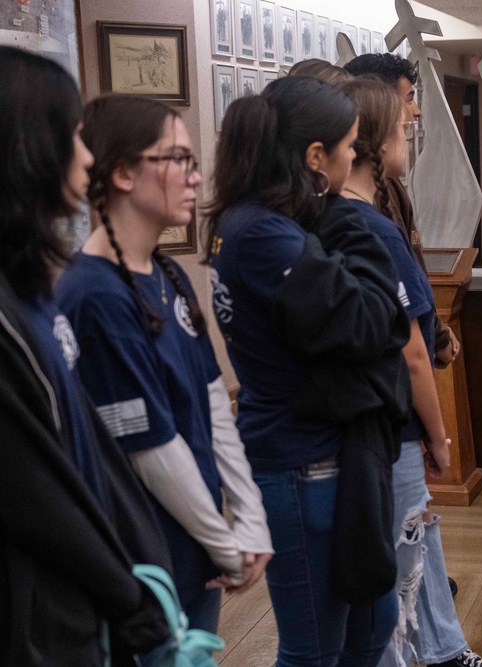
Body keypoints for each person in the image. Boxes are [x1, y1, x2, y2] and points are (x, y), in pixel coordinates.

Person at [56, 95, 273, 641]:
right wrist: (225, 545)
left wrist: (251, 519)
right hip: (143, 557)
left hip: (195, 551)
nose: (195, 178)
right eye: (178, 159)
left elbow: (212, 402)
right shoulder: (92, 295)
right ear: (125, 172)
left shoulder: (167, 273)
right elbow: (150, 449)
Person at [206, 75, 401, 666]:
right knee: (314, 648)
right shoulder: (260, 232)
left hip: (332, 455)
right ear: (316, 158)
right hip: (300, 463)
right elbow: (373, 322)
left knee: (371, 630)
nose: (354, 158)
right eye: (348, 147)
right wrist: (350, 218)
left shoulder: (268, 223)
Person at [0, 46, 172, 665]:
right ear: (27, 146)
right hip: (41, 623)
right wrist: (127, 598)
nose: (88, 156)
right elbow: (35, 496)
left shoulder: (32, 290)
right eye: (75, 135)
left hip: (83, 611)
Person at [338, 77, 482, 667]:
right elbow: (411, 351)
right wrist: (438, 435)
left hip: (381, 424)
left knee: (414, 542)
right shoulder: (366, 225)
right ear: (375, 142)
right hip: (391, 424)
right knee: (394, 579)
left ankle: (444, 649)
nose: (413, 129)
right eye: (405, 126)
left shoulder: (366, 211)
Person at [345, 53, 461, 369]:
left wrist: (436, 333)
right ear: (378, 108)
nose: (416, 112)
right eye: (408, 99)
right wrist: (434, 339)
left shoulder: (391, 187)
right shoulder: (357, 208)